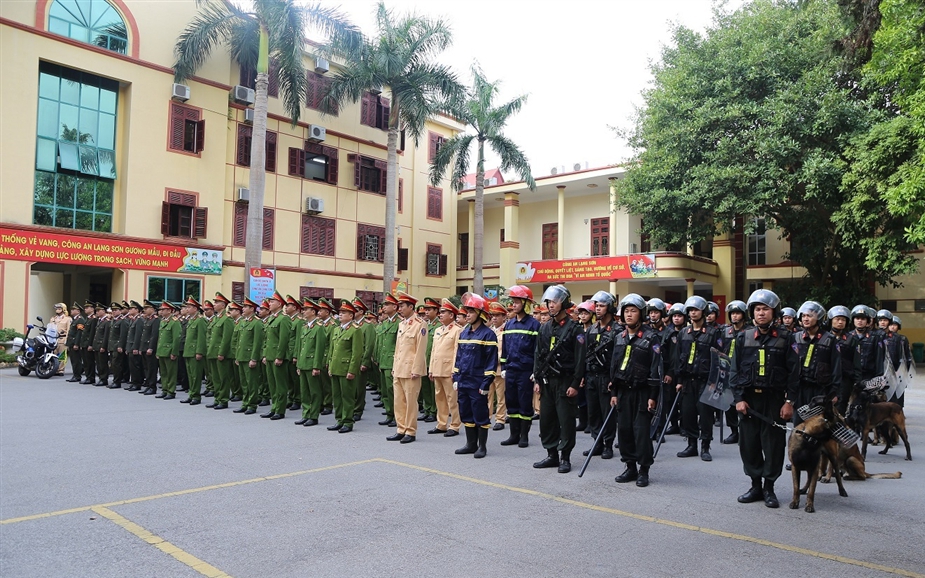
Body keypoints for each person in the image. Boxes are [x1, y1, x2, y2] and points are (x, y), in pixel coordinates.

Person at [730, 289, 799, 509]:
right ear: (752, 313)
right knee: (749, 444)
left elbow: (794, 373)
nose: (761, 313)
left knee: (773, 446)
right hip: (749, 402)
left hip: (774, 401)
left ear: (774, 312)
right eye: (757, 309)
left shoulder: (787, 339)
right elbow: (734, 371)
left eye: (765, 309)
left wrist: (789, 403)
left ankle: (769, 488)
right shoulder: (742, 337)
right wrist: (738, 399)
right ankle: (755, 486)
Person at [610, 294, 663, 487]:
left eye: (633, 311)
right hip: (623, 392)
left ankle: (644, 470)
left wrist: (653, 396)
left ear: (641, 314)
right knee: (624, 431)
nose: (629, 314)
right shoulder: (619, 337)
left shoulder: (651, 338)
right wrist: (614, 393)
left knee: (641, 432)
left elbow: (655, 369)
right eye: (626, 311)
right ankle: (629, 466)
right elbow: (614, 367)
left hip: (642, 393)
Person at [532, 284, 586, 474]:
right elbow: (538, 355)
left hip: (565, 381)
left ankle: (565, 457)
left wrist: (575, 383)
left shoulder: (575, 329)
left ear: (564, 303)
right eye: (548, 302)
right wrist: (537, 379)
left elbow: (580, 360)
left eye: (554, 302)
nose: (550, 305)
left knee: (566, 420)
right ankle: (551, 454)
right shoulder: (545, 328)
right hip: (547, 382)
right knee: (547, 420)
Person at [675, 296, 723, 461]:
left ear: (704, 311)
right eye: (690, 310)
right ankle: (691, 445)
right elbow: (678, 358)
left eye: (696, 309)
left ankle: (705, 446)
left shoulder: (713, 333)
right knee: (687, 413)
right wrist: (679, 381)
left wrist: (716, 383)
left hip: (705, 380)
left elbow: (719, 359)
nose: (693, 313)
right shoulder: (683, 333)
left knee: (705, 414)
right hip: (688, 380)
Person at [452, 293, 498, 459]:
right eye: (467, 312)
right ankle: (470, 444)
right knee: (466, 412)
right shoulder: (464, 333)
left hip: (478, 381)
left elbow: (491, 362)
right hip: (464, 381)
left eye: (471, 312)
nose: (467, 315)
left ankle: (482, 446)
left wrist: (486, 383)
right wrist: (455, 377)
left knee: (480, 414)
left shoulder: (488, 335)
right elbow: (459, 357)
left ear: (480, 313)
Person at [500, 285, 540, 448]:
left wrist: (535, 371)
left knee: (524, 403)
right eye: (513, 302)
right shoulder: (509, 325)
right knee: (512, 402)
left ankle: (524, 436)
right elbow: (505, 348)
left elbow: (537, 350)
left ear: (526, 304)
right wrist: (503, 367)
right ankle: (513, 435)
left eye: (517, 302)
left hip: (526, 371)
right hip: (511, 370)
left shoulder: (533, 325)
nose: (513, 305)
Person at [386, 291, 428, 444]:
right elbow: (398, 348)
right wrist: (394, 366)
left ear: (411, 306)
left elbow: (420, 349)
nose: (400, 309)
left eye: (402, 306)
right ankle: (400, 428)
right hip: (399, 368)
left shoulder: (420, 324)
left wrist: (416, 369)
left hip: (411, 370)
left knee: (411, 402)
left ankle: (410, 431)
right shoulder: (401, 324)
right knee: (398, 401)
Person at [580, 291, 618, 459]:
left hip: (606, 377)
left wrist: (614, 380)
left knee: (606, 412)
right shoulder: (593, 329)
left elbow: (618, 358)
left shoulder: (617, 330)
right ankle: (597, 442)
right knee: (593, 412)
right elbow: (585, 354)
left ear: (609, 308)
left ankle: (608, 445)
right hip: (591, 376)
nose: (598, 309)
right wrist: (582, 375)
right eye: (596, 306)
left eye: (601, 306)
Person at [791, 301, 841, 423]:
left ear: (818, 318)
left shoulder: (830, 339)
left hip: (821, 389)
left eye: (809, 316)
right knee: (799, 424)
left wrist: (834, 392)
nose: (806, 319)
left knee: (819, 425)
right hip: (800, 389)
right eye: (803, 316)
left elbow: (836, 366)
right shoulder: (795, 338)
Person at [327, 300, 364, 433]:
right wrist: (330, 366)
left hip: (346, 368)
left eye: (344, 313)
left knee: (347, 396)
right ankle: (339, 420)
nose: (340, 315)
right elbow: (332, 350)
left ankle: (348, 421)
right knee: (337, 396)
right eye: (340, 312)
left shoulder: (355, 331)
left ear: (351, 315)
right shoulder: (336, 329)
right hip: (336, 367)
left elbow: (357, 352)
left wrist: (352, 370)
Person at [428, 298, 462, 437]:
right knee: (439, 398)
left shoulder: (457, 330)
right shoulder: (437, 330)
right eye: (440, 312)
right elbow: (433, 351)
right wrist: (431, 369)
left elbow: (456, 352)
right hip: (437, 369)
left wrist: (455, 370)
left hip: (448, 370)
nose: (440, 315)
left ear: (452, 315)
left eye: (443, 312)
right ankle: (441, 424)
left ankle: (454, 425)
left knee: (452, 399)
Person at [294, 298, 327, 426]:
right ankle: (306, 413)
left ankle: (313, 416)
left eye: (306, 309)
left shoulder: (319, 328)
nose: (303, 311)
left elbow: (319, 349)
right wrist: (298, 364)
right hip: (303, 364)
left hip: (312, 364)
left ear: (313, 311)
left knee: (314, 392)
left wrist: (316, 366)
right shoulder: (304, 327)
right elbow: (300, 347)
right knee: (305, 391)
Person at [720, 300, 748, 444]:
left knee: (742, 401)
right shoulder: (725, 331)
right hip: (727, 371)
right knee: (729, 403)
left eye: (737, 313)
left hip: (743, 372)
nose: (734, 316)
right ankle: (734, 431)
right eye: (732, 314)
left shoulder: (749, 332)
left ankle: (745, 431)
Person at [261, 291, 292, 420]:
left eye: (272, 302)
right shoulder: (271, 319)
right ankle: (274, 407)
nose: (269, 304)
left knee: (280, 385)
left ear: (279, 304)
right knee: (272, 384)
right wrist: (264, 354)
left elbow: (283, 340)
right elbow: (267, 339)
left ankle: (280, 409)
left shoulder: (283, 319)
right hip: (269, 355)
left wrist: (279, 356)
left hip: (278, 357)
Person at [233, 297, 264, 415]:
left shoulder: (257, 323)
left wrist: (254, 358)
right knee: (244, 383)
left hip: (249, 357)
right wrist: (237, 356)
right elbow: (239, 341)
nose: (243, 309)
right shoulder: (243, 322)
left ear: (252, 309)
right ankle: (245, 403)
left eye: (246, 307)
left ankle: (252, 404)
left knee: (252, 382)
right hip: (241, 356)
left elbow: (257, 342)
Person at [375, 294, 400, 427]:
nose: (384, 307)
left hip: (392, 361)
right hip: (384, 360)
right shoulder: (385, 323)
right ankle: (389, 413)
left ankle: (397, 415)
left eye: (386, 305)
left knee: (393, 390)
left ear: (394, 307)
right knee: (385, 390)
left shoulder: (399, 322)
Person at [180, 296, 207, 405]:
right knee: (190, 374)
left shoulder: (200, 320)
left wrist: (199, 351)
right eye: (187, 307)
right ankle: (191, 394)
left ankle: (196, 396)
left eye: (189, 307)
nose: (187, 309)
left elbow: (201, 337)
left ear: (195, 309)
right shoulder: (191, 320)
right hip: (188, 351)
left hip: (195, 351)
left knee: (196, 375)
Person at [486, 301, 508, 431]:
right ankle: (487, 417)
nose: (494, 318)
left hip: (499, 368)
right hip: (488, 369)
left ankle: (500, 418)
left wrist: (496, 360)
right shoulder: (489, 331)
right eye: (492, 315)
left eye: (497, 315)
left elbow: (506, 350)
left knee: (501, 396)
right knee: (488, 394)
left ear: (504, 317)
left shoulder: (506, 331)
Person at [419, 297, 441, 424]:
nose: (426, 312)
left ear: (436, 311)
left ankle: (434, 410)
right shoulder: (425, 325)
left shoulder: (438, 326)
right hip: (423, 360)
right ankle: (427, 409)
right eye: (425, 309)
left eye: (429, 309)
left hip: (432, 361)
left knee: (433, 389)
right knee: (425, 387)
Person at [155, 301, 181, 400]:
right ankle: (165, 389)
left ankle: (171, 391)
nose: (161, 311)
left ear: (169, 310)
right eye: (161, 309)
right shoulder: (163, 321)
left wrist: (174, 352)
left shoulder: (175, 322)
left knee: (171, 372)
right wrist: (158, 351)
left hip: (169, 351)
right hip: (162, 350)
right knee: (163, 372)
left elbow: (176, 338)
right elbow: (160, 338)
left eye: (163, 309)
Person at [106, 301, 127, 388]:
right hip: (112, 346)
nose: (114, 312)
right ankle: (115, 380)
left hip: (117, 346)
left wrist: (120, 346)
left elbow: (123, 335)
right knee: (113, 364)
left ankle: (117, 381)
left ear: (120, 311)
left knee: (116, 364)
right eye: (113, 310)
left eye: (116, 310)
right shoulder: (113, 321)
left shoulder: (122, 321)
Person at [91, 303, 111, 387]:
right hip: (97, 345)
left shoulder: (106, 322)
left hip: (101, 346)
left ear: (103, 311)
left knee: (103, 363)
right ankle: (100, 378)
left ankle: (104, 379)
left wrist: (103, 346)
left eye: (99, 310)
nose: (97, 312)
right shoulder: (100, 321)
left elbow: (106, 336)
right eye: (96, 310)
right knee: (98, 363)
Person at [79, 301, 98, 385]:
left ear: (92, 309)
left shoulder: (93, 319)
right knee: (86, 362)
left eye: (87, 308)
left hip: (88, 343)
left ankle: (91, 377)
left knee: (90, 362)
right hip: (84, 343)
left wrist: (90, 344)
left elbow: (92, 333)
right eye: (85, 308)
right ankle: (88, 376)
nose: (85, 309)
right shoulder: (87, 318)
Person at [66, 303, 85, 382]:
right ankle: (75, 375)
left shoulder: (80, 320)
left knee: (76, 361)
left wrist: (76, 343)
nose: (71, 311)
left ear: (78, 311)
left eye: (73, 310)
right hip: (71, 342)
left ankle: (77, 376)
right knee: (73, 360)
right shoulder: (75, 319)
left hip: (75, 343)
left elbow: (79, 333)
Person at [50, 303, 71, 376]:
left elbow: (69, 330)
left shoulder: (67, 319)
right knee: (54, 354)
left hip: (62, 338)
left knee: (62, 355)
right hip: (54, 339)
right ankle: (54, 369)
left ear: (63, 309)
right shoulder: (53, 318)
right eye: (56, 309)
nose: (57, 310)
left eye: (59, 309)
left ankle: (61, 370)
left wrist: (67, 340)